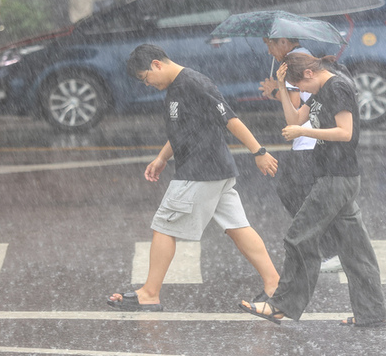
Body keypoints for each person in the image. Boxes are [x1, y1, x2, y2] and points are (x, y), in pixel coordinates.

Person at [107, 44, 280, 311]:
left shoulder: (194, 83)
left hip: (200, 171)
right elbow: (185, 129)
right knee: (237, 227)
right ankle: (274, 285)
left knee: (164, 226)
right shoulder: (176, 87)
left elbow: (230, 119)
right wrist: (163, 157)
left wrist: (259, 151)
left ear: (156, 64)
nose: (147, 84)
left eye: (146, 78)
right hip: (212, 170)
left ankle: (149, 294)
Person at [239, 52, 386, 327]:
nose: (302, 92)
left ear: (309, 74)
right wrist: (283, 88)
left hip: (336, 177)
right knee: (355, 250)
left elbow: (345, 132)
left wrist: (305, 133)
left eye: (300, 86)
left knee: (299, 236)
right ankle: (371, 313)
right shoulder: (319, 90)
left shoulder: (337, 87)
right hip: (334, 175)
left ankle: (281, 305)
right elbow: (294, 120)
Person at [258, 38, 341, 273]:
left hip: (308, 143)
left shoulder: (292, 62)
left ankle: (332, 248)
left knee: (297, 194)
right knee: (302, 194)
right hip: (308, 140)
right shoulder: (302, 56)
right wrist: (277, 90)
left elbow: (295, 105)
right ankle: (332, 246)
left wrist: (276, 90)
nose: (269, 50)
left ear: (283, 41)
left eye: (270, 45)